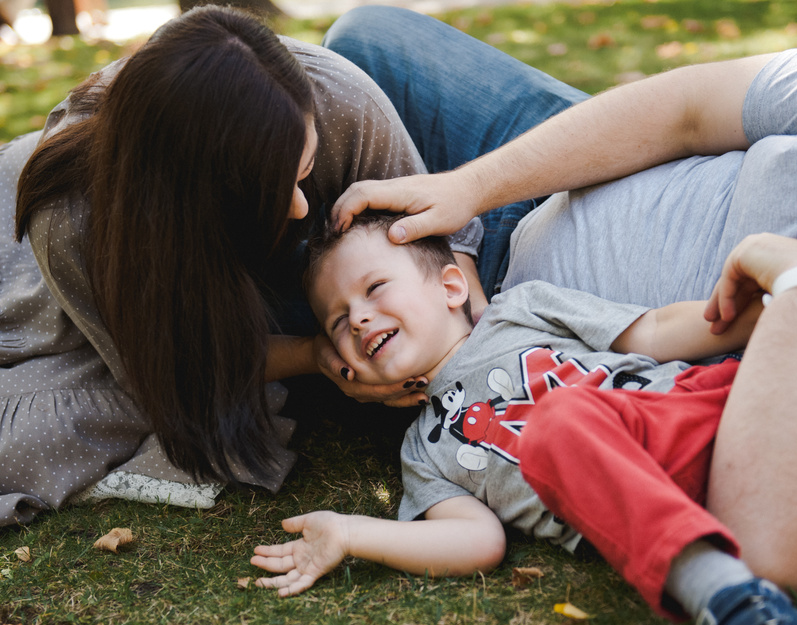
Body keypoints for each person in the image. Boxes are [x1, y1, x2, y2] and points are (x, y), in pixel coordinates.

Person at [319, 7, 797, 592]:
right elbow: (688, 110)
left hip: (502, 355)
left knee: (286, 280)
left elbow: (787, 546)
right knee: (361, 43)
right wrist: (471, 191)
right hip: (564, 171)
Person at [251, 213, 797, 625]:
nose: (357, 318)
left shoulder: (525, 308)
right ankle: (730, 601)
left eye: (373, 289)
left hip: (704, 408)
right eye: (336, 320)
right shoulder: (425, 450)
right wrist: (356, 532)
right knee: (560, 427)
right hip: (636, 497)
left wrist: (779, 303)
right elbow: (473, 543)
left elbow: (658, 332)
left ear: (451, 285)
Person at [0, 5, 484, 526]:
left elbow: (440, 246)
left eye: (307, 170)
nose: (302, 209)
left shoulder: (341, 99)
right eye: (272, 194)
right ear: (187, 206)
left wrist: (473, 347)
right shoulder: (70, 222)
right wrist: (314, 355)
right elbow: (178, 365)